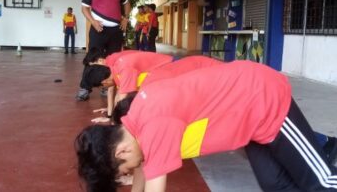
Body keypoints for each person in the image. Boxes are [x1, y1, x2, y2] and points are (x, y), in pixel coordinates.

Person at [75, 60, 337, 192]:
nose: (131, 172)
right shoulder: (134, 123)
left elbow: (153, 185)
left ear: (120, 152)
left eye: (125, 170)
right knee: (274, 183)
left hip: (264, 99)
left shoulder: (155, 126)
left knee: (320, 183)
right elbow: (144, 169)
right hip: (247, 120)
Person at [77, 48, 173, 119]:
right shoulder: (112, 67)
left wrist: (111, 118)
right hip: (162, 71)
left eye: (94, 66)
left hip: (171, 67)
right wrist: (110, 113)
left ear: (100, 61)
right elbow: (116, 89)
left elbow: (121, 96)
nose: (95, 70)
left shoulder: (117, 64)